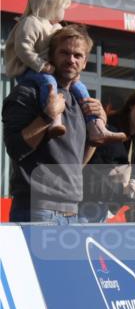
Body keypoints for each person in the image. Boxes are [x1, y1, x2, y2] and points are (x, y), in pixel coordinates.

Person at [2, 24, 110, 223]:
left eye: (78, 55)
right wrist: (47, 117)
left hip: (72, 212)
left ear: (85, 62)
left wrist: (98, 128)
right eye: (64, 53)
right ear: (51, 55)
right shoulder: (28, 92)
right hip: (36, 210)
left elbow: (76, 163)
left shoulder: (80, 101)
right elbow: (16, 149)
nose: (71, 60)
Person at [3, 0, 122, 145]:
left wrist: (100, 115)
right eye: (61, 7)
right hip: (28, 69)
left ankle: (97, 126)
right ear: (48, 4)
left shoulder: (56, 27)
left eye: (77, 56)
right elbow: (23, 49)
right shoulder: (31, 22)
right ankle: (55, 121)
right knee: (49, 81)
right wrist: (41, 65)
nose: (70, 60)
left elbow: (76, 158)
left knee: (80, 87)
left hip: (46, 69)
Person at [80, 84, 135, 222]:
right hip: (84, 210)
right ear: (132, 105)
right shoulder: (108, 130)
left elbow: (129, 184)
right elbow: (86, 178)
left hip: (106, 214)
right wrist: (123, 186)